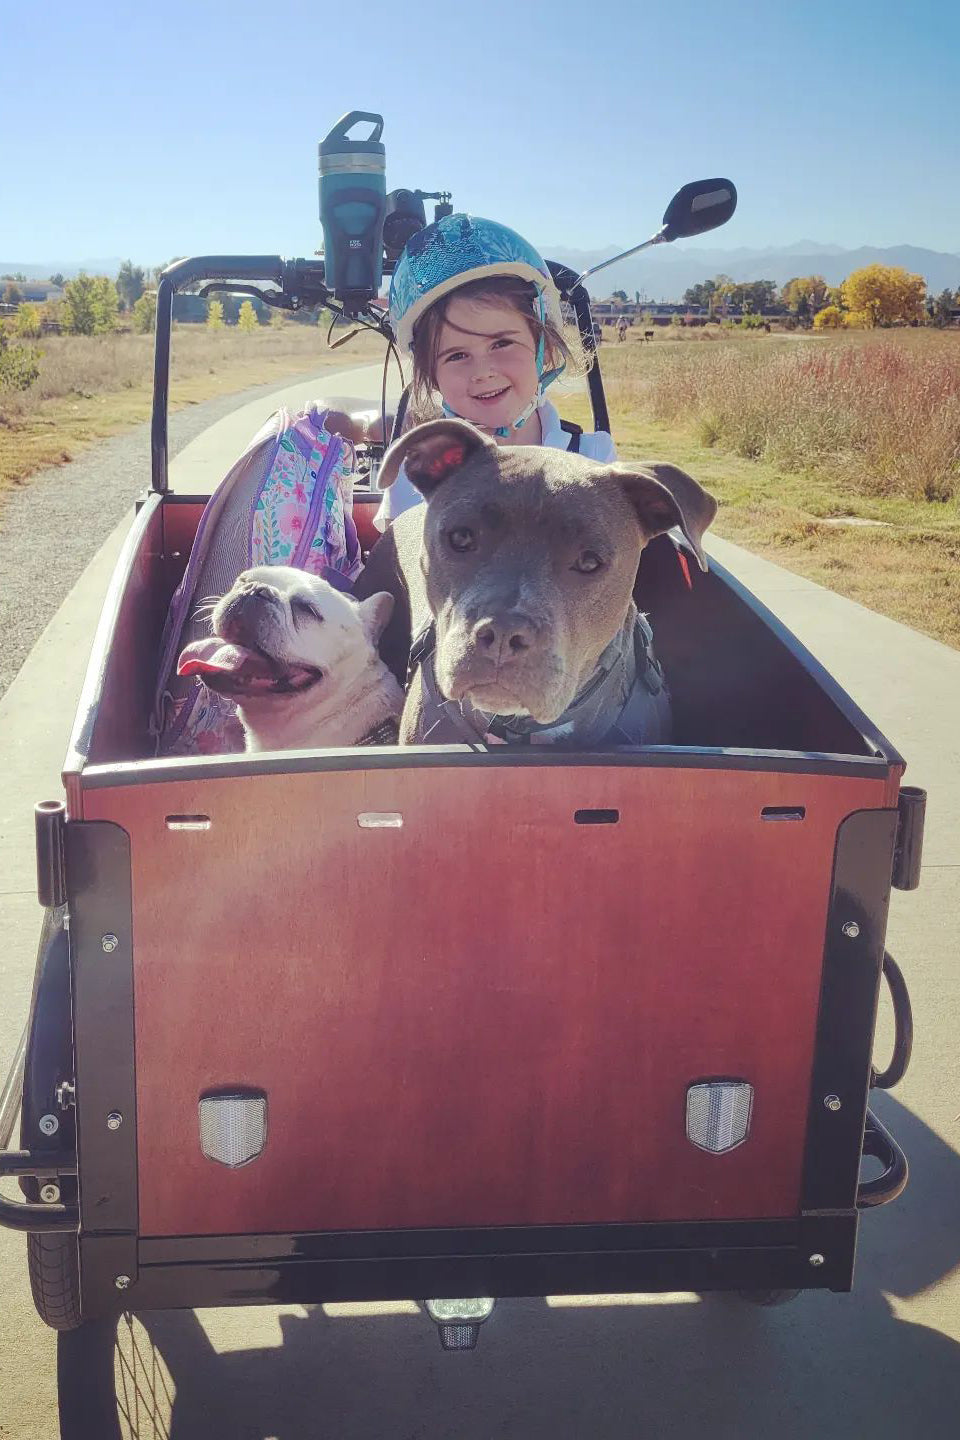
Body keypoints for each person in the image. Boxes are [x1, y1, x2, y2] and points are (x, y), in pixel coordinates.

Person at [374, 213, 616, 530]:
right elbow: (398, 568)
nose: (483, 372)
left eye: (501, 344)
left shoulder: (592, 457)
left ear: (543, 347)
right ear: (432, 375)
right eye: (457, 355)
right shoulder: (415, 470)